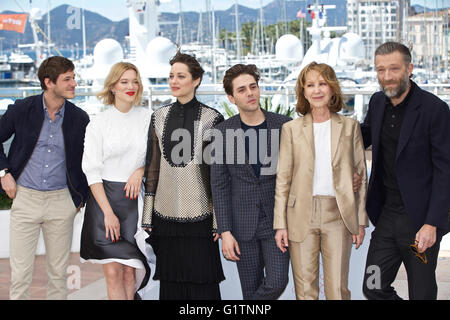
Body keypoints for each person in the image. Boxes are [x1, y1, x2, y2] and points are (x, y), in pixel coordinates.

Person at [361, 42, 449, 300]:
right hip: (387, 217)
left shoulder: (435, 109)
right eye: (380, 70)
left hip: (420, 222)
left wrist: (432, 223)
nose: (387, 77)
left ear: (409, 69)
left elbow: (446, 172)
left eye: (394, 69)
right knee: (372, 285)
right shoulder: (377, 102)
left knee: (421, 294)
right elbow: (362, 136)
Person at [273, 62, 369, 300]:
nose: (317, 90)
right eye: (310, 85)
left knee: (338, 289)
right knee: (305, 290)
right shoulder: (291, 129)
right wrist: (280, 224)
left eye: (322, 84)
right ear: (303, 91)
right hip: (299, 215)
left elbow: (361, 175)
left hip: (339, 215)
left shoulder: (349, 127)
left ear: (332, 88)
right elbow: (283, 180)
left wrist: (360, 220)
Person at [0, 56, 89, 300]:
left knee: (58, 275)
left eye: (74, 78)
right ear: (49, 83)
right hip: (25, 198)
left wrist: (79, 198)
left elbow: (88, 161)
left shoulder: (80, 119)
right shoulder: (22, 109)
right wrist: (3, 173)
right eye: (67, 79)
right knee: (20, 276)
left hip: (61, 202)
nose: (74, 84)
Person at [142, 52, 225, 300]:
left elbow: (216, 176)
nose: (174, 81)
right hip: (165, 218)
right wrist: (148, 216)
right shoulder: (157, 117)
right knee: (170, 286)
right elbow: (153, 169)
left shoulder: (213, 118)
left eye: (181, 76)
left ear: (196, 80)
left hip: (201, 219)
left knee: (204, 286)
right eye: (171, 76)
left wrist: (218, 221)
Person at [210, 64, 291, 300]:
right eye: (242, 90)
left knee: (278, 281)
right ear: (231, 97)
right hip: (241, 226)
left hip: (276, 223)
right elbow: (219, 185)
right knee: (250, 289)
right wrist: (225, 230)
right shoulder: (222, 132)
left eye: (253, 87)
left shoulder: (284, 125)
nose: (250, 93)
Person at [80, 62, 151, 300]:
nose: (131, 86)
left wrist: (140, 170)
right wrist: (108, 213)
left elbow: (158, 157)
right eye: (124, 81)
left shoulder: (147, 118)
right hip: (103, 202)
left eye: (135, 81)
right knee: (112, 272)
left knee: (130, 272)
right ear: (112, 87)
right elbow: (92, 172)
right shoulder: (98, 123)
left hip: (133, 203)